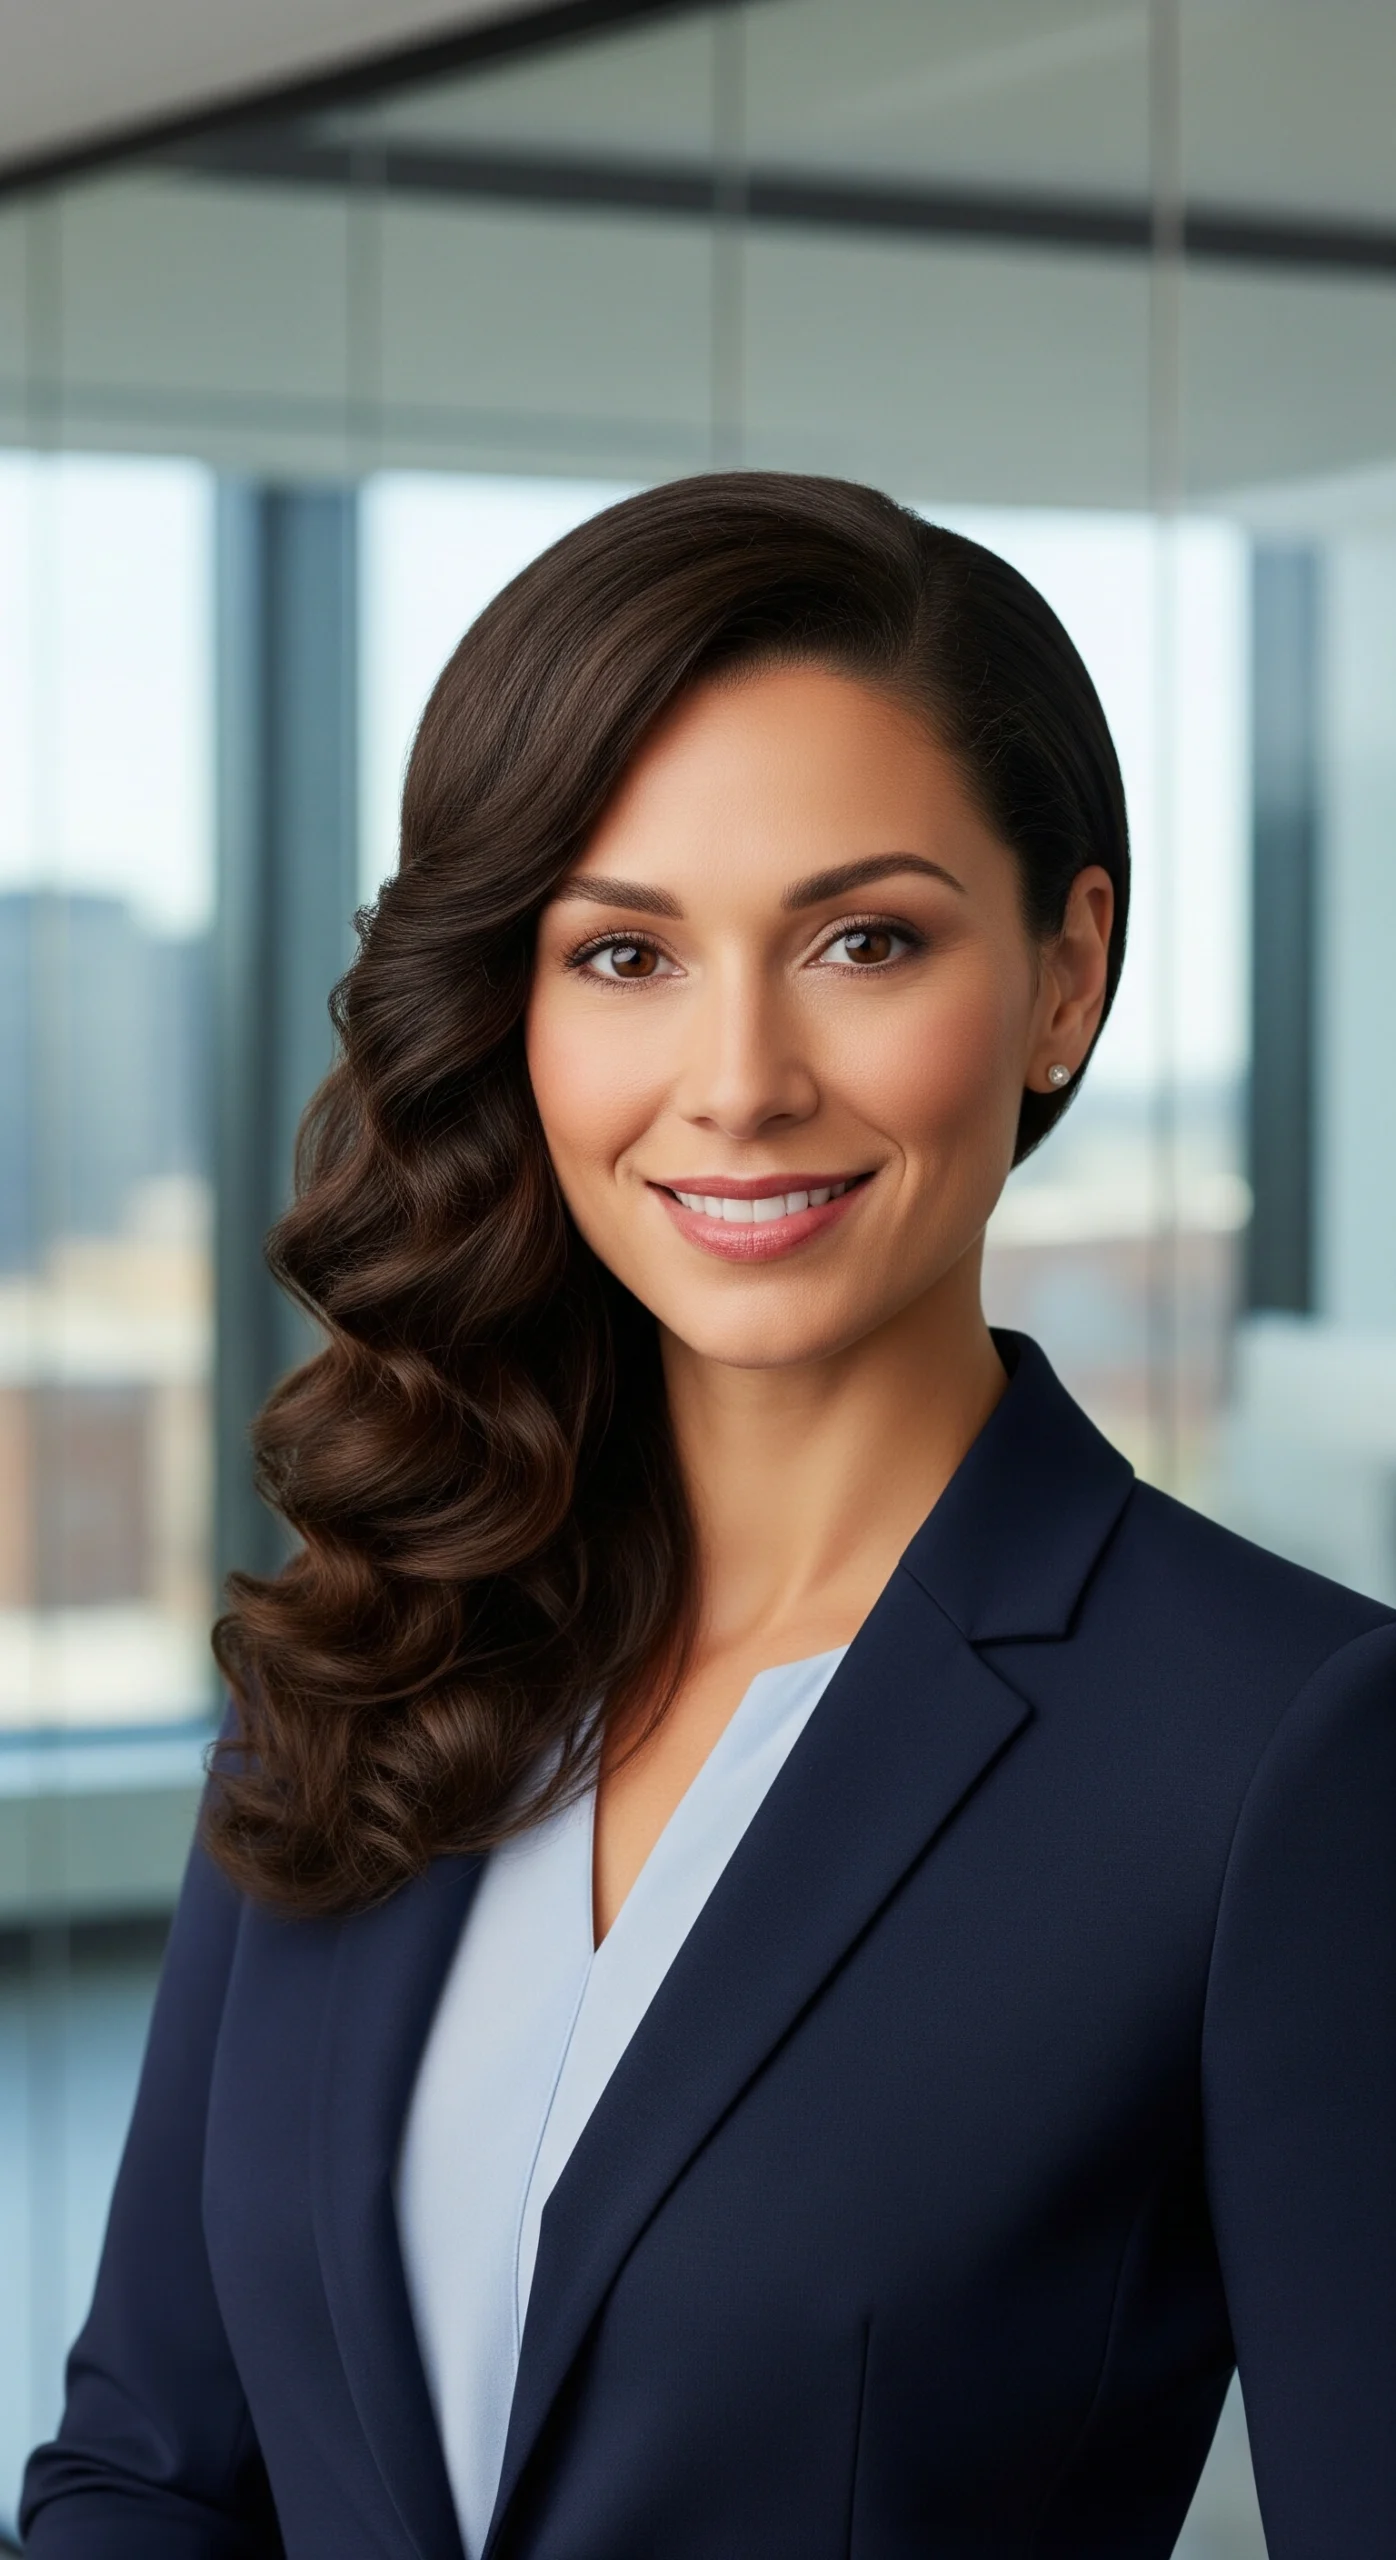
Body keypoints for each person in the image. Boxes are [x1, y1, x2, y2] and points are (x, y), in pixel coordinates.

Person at [22, 475, 1394, 2559]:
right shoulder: (364, 1637)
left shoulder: (1273, 1748)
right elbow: (146, 2471)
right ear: (517, 1000)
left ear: (1059, 976)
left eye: (862, 939)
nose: (736, 1077)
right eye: (625, 949)